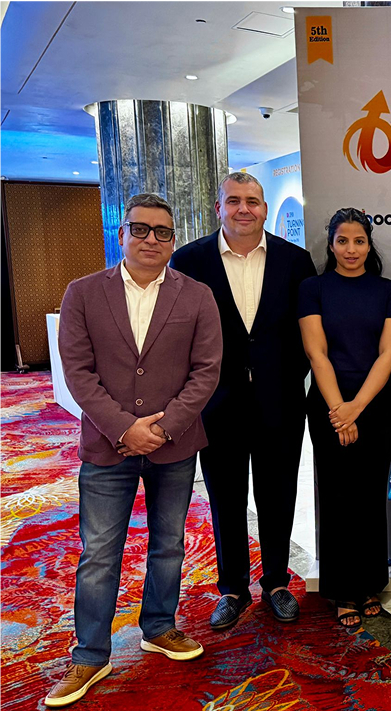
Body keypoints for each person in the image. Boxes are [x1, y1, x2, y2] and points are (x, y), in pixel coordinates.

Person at [47, 194, 222, 707]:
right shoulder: (83, 292)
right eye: (140, 229)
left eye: (162, 232)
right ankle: (89, 654)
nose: (150, 239)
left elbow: (206, 371)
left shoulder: (197, 296)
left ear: (173, 239)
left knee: (169, 543)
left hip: (175, 444)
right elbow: (78, 372)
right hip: (107, 447)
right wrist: (125, 429)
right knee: (99, 553)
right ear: (121, 234)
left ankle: (159, 626)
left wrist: (163, 429)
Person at [170, 173, 317, 630]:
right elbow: (178, 333)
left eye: (252, 201)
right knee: (225, 498)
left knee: (279, 495)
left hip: (281, 402)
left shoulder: (295, 260)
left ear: (265, 208)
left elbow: (308, 332)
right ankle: (232, 589)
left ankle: (275, 583)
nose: (244, 209)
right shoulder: (189, 260)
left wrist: (285, 376)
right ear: (219, 208)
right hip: (217, 404)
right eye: (233, 201)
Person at [298, 208, 391, 629]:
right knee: (337, 496)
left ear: (369, 244)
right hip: (329, 404)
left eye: (359, 241)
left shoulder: (388, 290)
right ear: (331, 244)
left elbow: (389, 354)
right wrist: (339, 411)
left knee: (370, 496)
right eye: (343, 241)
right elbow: (316, 353)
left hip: (375, 406)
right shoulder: (313, 288)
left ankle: (370, 583)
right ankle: (343, 590)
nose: (351, 249)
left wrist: (355, 408)